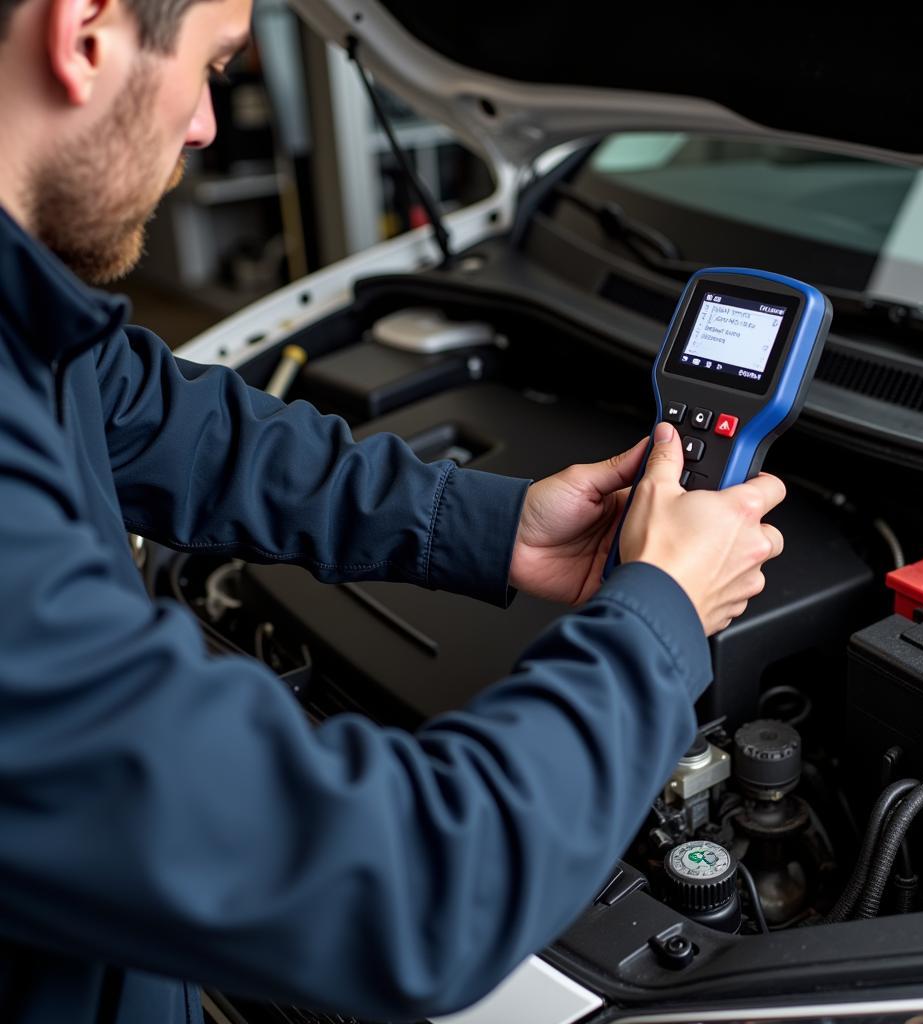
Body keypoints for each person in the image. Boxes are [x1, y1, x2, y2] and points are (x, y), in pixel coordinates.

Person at [0, 0, 785, 1020]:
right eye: (212, 66)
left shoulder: (32, 324)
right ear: (87, 35)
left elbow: (169, 423)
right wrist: (659, 621)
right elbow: (415, 891)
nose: (204, 124)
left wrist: (496, 526)